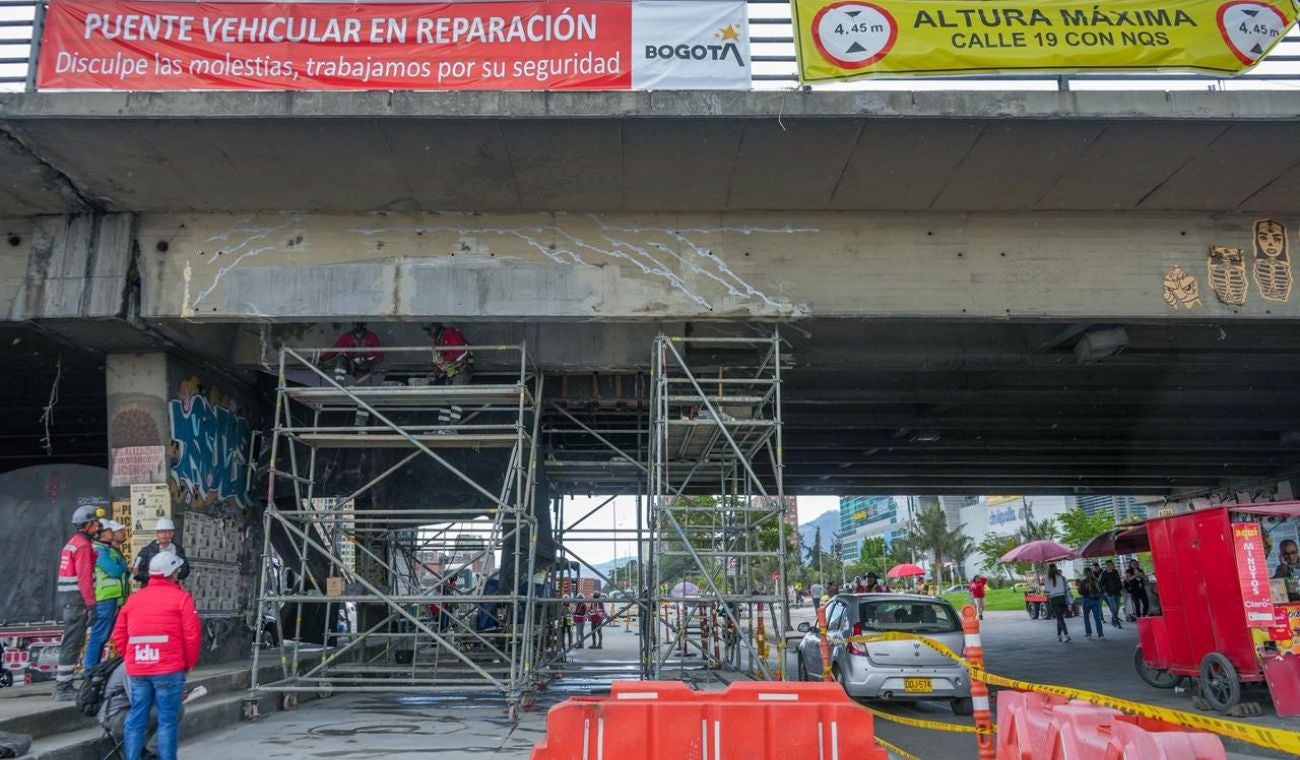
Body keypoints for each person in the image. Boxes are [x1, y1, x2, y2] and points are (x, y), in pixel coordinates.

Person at [111, 552, 201, 760]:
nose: (179, 574)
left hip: (139, 669)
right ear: (171, 574)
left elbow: (119, 634)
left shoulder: (133, 600)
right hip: (168, 669)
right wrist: (187, 664)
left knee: (136, 718)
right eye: (177, 571)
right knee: (168, 720)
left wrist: (131, 659)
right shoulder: (182, 599)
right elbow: (191, 635)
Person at [54, 504, 102, 701]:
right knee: (73, 643)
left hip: (69, 601)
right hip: (77, 602)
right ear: (87, 524)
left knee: (71, 642)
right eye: (95, 523)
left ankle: (63, 684)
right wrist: (91, 605)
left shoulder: (74, 542)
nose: (98, 526)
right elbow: (84, 578)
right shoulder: (82, 545)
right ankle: (63, 687)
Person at [85, 519, 130, 670]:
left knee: (103, 636)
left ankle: (94, 669)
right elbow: (116, 570)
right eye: (110, 530)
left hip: (111, 599)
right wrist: (122, 565)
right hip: (104, 599)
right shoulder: (98, 551)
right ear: (103, 533)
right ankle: (90, 670)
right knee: (99, 636)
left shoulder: (106, 550)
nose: (113, 533)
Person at [425, 323, 472, 431]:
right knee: (446, 398)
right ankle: (442, 427)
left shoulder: (450, 333)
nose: (429, 334)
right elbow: (439, 359)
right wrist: (436, 371)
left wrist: (445, 360)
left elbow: (461, 352)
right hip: (451, 371)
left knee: (456, 395)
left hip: (462, 368)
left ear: (435, 328)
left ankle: (452, 427)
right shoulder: (437, 341)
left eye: (429, 330)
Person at [131, 518, 190, 588]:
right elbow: (136, 573)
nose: (164, 535)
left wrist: (173, 574)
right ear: (157, 534)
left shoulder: (178, 550)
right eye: (161, 532)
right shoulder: (146, 551)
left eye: (167, 532)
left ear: (172, 534)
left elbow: (185, 570)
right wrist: (157, 576)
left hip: (172, 590)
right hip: (152, 590)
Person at [1045, 564, 1072, 643]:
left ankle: (1067, 635)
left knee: (1060, 618)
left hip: (1054, 600)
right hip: (1062, 599)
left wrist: (1048, 597)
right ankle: (1059, 635)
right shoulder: (1062, 577)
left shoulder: (1048, 579)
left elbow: (1047, 592)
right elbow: (1067, 588)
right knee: (1059, 617)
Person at [1078, 568, 1105, 640]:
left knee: (1086, 617)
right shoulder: (1096, 580)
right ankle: (1101, 634)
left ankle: (1089, 634)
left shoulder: (1083, 581)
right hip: (1095, 601)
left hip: (1086, 600)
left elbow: (1080, 592)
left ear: (1084, 573)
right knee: (1097, 618)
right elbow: (1101, 590)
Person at [1098, 560, 1124, 629]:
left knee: (1117, 607)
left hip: (1117, 592)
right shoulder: (1103, 573)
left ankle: (1113, 618)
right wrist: (1103, 591)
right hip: (1109, 592)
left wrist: (1121, 589)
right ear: (1106, 566)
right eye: (1108, 565)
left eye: (1111, 564)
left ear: (1113, 565)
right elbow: (1100, 584)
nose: (1109, 566)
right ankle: (1117, 622)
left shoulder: (1115, 572)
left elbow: (1119, 581)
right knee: (1114, 607)